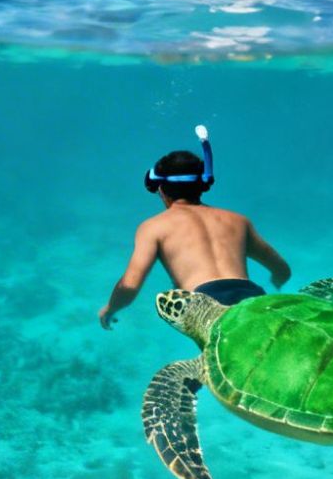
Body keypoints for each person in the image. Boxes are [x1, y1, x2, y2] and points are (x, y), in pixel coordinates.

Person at [97, 126, 291, 329]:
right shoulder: (237, 221)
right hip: (255, 302)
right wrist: (277, 282)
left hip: (207, 308)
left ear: (161, 190)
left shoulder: (153, 227)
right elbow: (282, 269)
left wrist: (110, 309)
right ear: (203, 185)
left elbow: (129, 285)